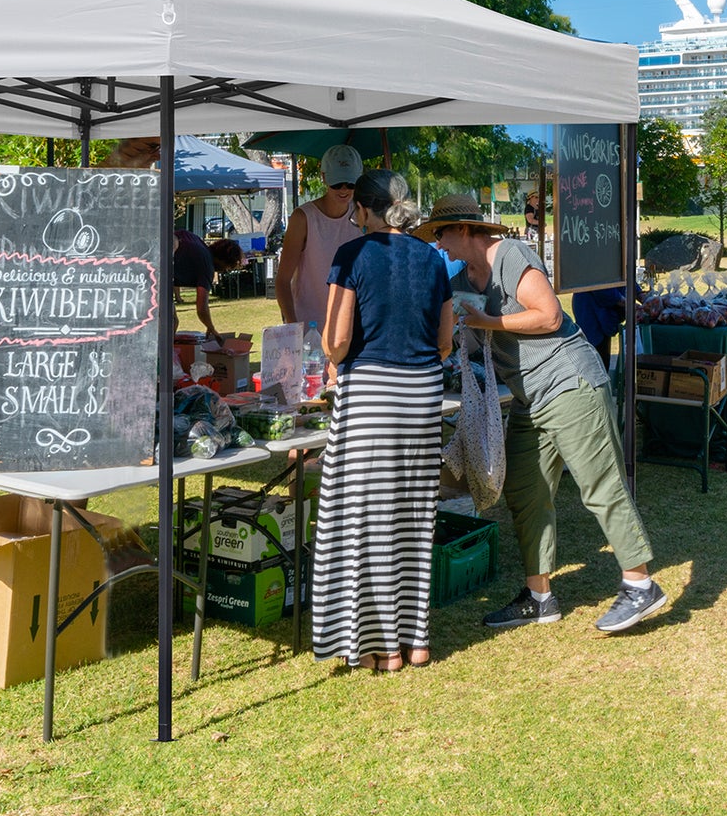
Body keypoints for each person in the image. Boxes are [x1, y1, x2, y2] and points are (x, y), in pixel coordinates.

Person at [424, 193, 667, 635]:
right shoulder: (464, 277)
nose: (437, 244)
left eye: (440, 233)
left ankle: (640, 583)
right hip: (528, 397)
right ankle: (539, 597)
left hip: (569, 384)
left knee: (599, 485)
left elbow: (549, 316)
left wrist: (486, 323)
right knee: (524, 489)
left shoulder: (511, 255)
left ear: (463, 229)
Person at [312, 170, 454, 673]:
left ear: (366, 211)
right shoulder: (433, 258)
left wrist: (329, 352)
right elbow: (445, 341)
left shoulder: (352, 255)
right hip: (422, 396)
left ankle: (381, 648)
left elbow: (337, 342)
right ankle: (416, 641)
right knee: (412, 518)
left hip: (371, 394)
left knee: (366, 522)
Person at [275, 143, 364, 332]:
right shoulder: (303, 218)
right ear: (324, 178)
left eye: (350, 184)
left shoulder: (362, 215)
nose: (343, 190)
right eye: (336, 183)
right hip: (311, 328)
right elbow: (282, 280)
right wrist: (293, 327)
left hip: (352, 327)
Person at [173, 227, 220, 339]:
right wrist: (211, 328)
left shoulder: (197, 241)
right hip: (153, 275)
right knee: (170, 322)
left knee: (172, 321)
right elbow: (201, 308)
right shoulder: (207, 267)